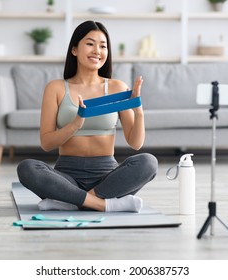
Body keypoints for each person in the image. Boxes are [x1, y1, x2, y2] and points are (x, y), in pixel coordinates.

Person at [17, 21, 158, 213]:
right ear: (74, 49)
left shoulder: (117, 87)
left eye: (103, 46)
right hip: (66, 177)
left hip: (107, 178)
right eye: (90, 44)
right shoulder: (56, 88)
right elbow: (46, 143)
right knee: (27, 168)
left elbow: (135, 143)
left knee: (149, 162)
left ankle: (70, 201)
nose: (97, 51)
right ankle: (103, 204)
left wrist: (138, 111)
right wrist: (75, 124)